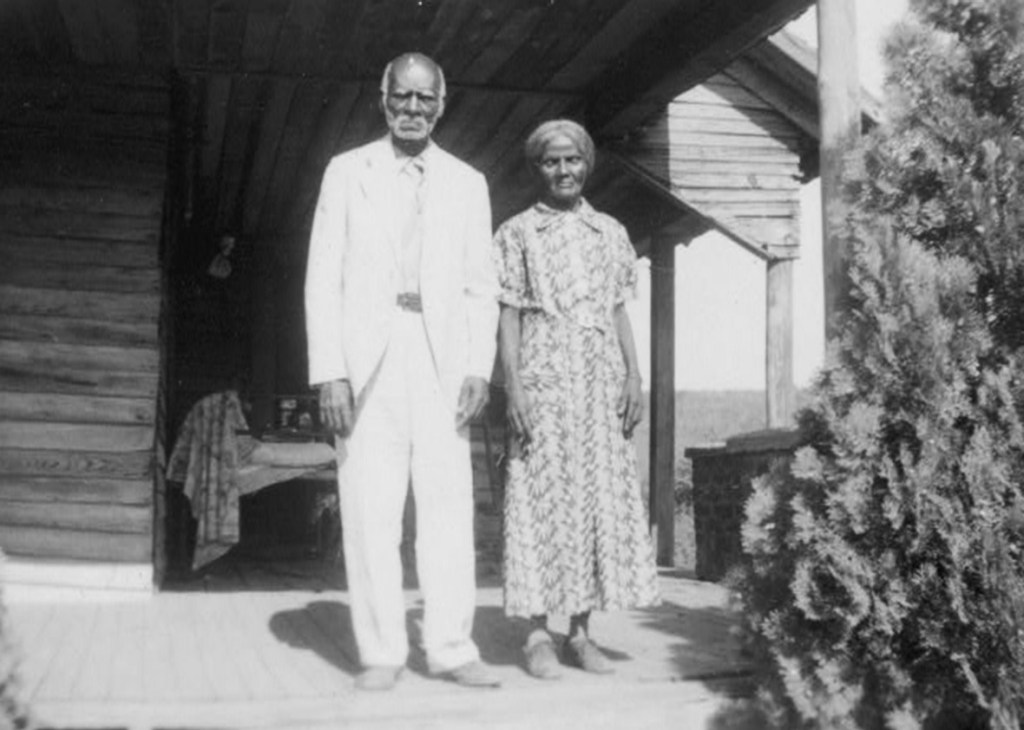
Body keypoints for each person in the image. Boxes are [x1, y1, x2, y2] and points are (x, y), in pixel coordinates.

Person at [304, 52, 500, 692]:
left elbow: (480, 286)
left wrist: (479, 367)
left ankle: (451, 648)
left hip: (443, 359)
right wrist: (330, 372)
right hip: (369, 360)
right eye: (402, 96)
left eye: (425, 98)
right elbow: (322, 277)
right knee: (370, 509)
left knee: (447, 509)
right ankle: (382, 652)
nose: (412, 109)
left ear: (442, 105)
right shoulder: (347, 171)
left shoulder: (468, 182)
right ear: (382, 99)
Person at [493, 119, 660, 680]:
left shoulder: (609, 232)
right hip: (542, 380)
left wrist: (634, 376)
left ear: (587, 164)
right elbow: (509, 315)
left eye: (572, 160)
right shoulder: (516, 232)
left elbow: (617, 310)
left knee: (592, 502)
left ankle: (580, 633)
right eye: (551, 161)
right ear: (537, 168)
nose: (563, 170)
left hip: (598, 382)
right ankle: (537, 634)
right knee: (541, 501)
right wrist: (514, 385)